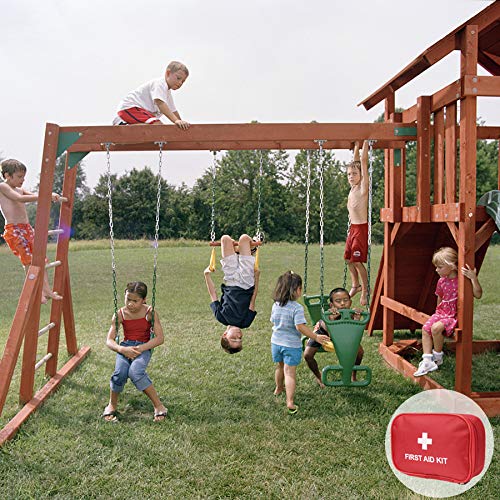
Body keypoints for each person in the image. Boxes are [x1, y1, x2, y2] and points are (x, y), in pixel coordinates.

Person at [102, 281, 168, 422]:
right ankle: (112, 404)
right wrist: (122, 349)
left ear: (143, 300)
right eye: (128, 299)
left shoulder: (150, 313)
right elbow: (109, 340)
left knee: (135, 372)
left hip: (143, 347)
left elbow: (160, 338)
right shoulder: (119, 314)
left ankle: (159, 406)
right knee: (119, 373)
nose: (130, 304)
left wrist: (141, 348)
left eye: (135, 301)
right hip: (125, 347)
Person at [0, 159, 63, 304]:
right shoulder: (3, 187)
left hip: (26, 228)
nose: (23, 180)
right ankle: (36, 291)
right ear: (7, 175)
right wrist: (46, 196)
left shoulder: (19, 189)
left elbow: (36, 196)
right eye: (19, 177)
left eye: (24, 177)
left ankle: (47, 290)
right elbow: (20, 199)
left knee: (40, 258)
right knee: (28, 260)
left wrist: (50, 195)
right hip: (14, 230)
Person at [414, 247, 482, 377]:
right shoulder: (441, 281)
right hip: (441, 313)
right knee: (425, 329)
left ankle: (438, 357)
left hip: (453, 316)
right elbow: (440, 298)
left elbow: (478, 294)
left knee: (435, 328)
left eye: (440, 267)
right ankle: (427, 360)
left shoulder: (462, 281)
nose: (436, 270)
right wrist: (437, 314)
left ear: (451, 266)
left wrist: (473, 278)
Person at [270, 271, 330, 414]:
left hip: (276, 343)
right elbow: (300, 327)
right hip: (291, 345)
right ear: (296, 290)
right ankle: (290, 401)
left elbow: (273, 321)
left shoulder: (276, 305)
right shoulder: (297, 308)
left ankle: (278, 388)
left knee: (280, 366)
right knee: (289, 373)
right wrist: (315, 337)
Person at [204, 234, 260, 354]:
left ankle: (238, 251)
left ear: (225, 334)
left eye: (233, 338)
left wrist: (206, 275)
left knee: (225, 239)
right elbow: (253, 298)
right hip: (246, 281)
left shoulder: (221, 317)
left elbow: (213, 294)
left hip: (230, 279)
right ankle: (247, 248)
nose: (238, 336)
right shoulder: (246, 322)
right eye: (240, 339)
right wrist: (256, 277)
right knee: (244, 239)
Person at [304, 287, 364, 387]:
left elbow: (354, 335)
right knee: (307, 354)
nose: (342, 303)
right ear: (332, 305)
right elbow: (333, 335)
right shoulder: (328, 314)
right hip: (323, 332)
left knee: (360, 352)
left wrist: (357, 319)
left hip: (343, 335)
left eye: (346, 300)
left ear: (350, 302)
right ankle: (319, 377)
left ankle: (353, 375)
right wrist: (331, 319)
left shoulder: (351, 314)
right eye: (338, 301)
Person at [112, 61, 190, 129]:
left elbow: (173, 111)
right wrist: (176, 121)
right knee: (157, 126)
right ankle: (121, 126)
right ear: (168, 73)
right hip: (130, 108)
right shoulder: (160, 84)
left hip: (137, 112)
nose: (180, 83)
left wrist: (181, 123)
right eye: (178, 78)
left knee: (158, 129)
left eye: (183, 81)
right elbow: (160, 103)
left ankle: (124, 126)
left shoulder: (167, 93)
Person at [345, 140, 369, 306]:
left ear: (361, 175)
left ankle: (366, 290)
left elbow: (363, 162)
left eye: (354, 174)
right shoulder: (353, 188)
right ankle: (356, 285)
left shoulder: (362, 188)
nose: (351, 176)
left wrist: (365, 142)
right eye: (348, 174)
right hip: (353, 228)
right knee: (348, 259)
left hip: (360, 229)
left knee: (357, 261)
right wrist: (356, 146)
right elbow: (356, 163)